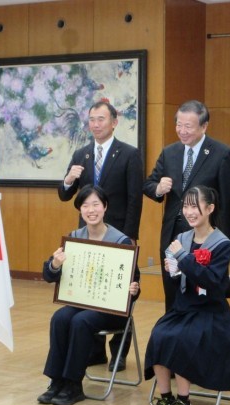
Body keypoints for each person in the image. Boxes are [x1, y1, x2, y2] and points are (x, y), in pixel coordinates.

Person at [58, 100, 143, 372]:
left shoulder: (129, 154)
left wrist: (130, 237)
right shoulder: (81, 154)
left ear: (114, 122)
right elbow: (65, 195)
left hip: (117, 236)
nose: (95, 125)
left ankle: (119, 353)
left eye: (101, 119)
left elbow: (135, 199)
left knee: (119, 294)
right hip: (88, 237)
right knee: (91, 290)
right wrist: (68, 180)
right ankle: (94, 352)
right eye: (92, 120)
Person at [144, 186, 230, 405]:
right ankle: (166, 397)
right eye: (186, 206)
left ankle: (184, 401)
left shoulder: (222, 243)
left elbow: (213, 283)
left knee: (182, 337)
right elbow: (180, 281)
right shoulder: (182, 239)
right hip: (184, 308)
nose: (189, 212)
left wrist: (183, 260)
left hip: (211, 313)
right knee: (159, 334)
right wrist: (173, 271)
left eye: (195, 206)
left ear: (210, 208)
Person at [38, 185, 140, 405]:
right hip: (83, 302)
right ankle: (57, 381)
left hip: (111, 310)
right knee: (60, 318)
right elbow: (49, 275)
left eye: (96, 204)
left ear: (105, 207)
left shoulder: (120, 241)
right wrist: (55, 264)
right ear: (80, 210)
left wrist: (134, 289)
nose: (91, 210)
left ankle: (73, 384)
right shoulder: (74, 238)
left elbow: (134, 283)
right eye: (85, 206)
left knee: (81, 321)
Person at [143, 100, 230, 311]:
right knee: (172, 293)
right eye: (179, 125)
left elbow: (229, 203)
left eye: (188, 126)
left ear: (204, 126)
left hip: (205, 237)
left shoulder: (221, 153)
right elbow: (149, 184)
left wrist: (225, 244)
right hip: (172, 235)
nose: (182, 131)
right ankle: (174, 326)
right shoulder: (169, 152)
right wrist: (158, 188)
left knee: (201, 292)